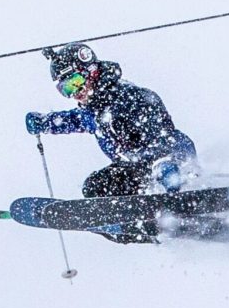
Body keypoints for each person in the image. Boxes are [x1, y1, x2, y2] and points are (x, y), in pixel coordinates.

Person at [24, 42, 198, 197]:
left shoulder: (133, 98)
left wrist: (165, 162)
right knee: (95, 188)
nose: (75, 93)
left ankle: (187, 197)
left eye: (75, 82)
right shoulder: (94, 111)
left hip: (169, 163)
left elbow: (166, 137)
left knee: (105, 184)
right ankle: (137, 229)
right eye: (66, 89)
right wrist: (46, 122)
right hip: (137, 172)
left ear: (91, 72)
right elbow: (74, 120)